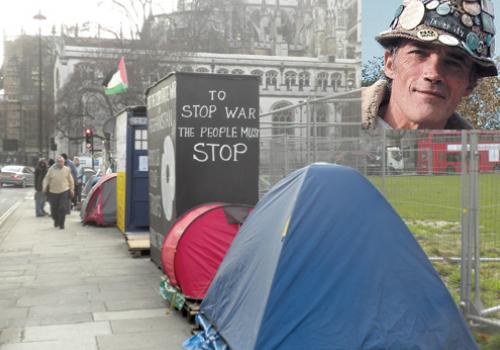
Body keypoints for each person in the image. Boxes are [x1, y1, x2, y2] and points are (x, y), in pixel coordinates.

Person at [362, 0, 497, 130]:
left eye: (453, 63)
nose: (433, 74)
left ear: (470, 83)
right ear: (390, 64)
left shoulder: (476, 152)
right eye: (419, 53)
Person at [43, 156, 74, 229]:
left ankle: (61, 223)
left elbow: (71, 181)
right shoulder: (51, 169)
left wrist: (72, 189)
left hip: (64, 191)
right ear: (56, 162)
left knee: (62, 208)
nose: (61, 163)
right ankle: (56, 220)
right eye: (59, 162)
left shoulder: (67, 169)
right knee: (54, 209)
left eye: (62, 162)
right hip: (53, 192)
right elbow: (46, 179)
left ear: (64, 162)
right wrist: (44, 187)